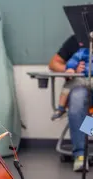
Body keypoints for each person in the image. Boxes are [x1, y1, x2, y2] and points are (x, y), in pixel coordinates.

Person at [48, 34, 90, 172]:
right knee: (77, 101)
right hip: (81, 88)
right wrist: (71, 68)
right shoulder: (77, 40)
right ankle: (80, 155)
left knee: (87, 117)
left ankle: (86, 135)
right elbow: (53, 63)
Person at [51, 46, 93, 121]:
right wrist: (71, 68)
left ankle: (88, 130)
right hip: (83, 81)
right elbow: (72, 60)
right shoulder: (84, 52)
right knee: (76, 95)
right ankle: (61, 109)